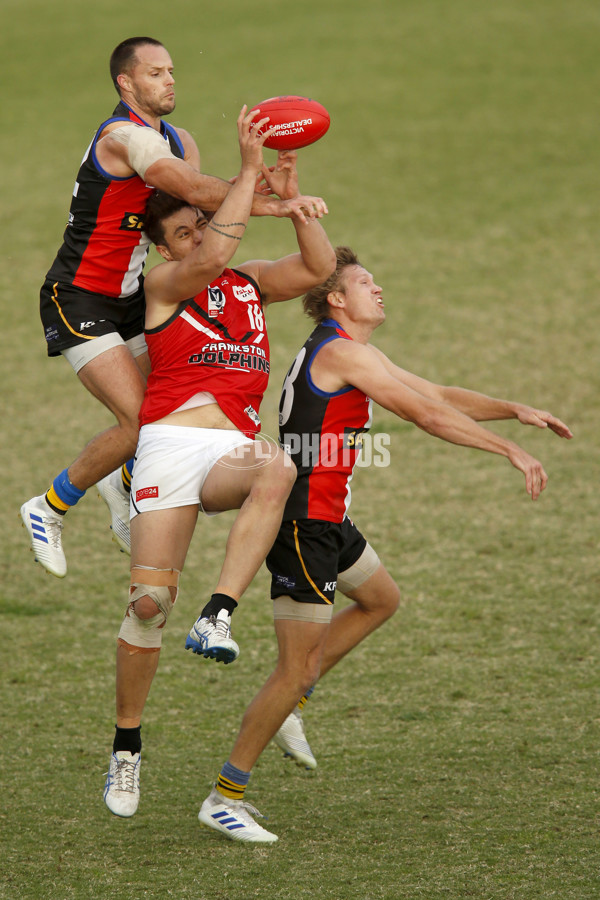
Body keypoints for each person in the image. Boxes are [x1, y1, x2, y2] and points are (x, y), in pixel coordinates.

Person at [195, 245, 573, 844]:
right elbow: (423, 415)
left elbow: (439, 393)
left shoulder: (352, 351)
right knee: (292, 667)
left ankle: (295, 703)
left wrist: (514, 411)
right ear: (336, 298)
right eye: (366, 282)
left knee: (380, 599)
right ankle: (226, 793)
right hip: (303, 528)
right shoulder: (342, 352)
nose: (379, 289)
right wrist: (508, 452)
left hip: (329, 519)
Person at [102, 108, 336, 820]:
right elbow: (208, 256)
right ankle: (126, 748)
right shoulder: (164, 288)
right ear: (162, 249)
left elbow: (320, 269)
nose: (200, 236)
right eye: (182, 231)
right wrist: (242, 168)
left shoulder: (249, 283)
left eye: (201, 225)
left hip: (228, 451)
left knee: (279, 465)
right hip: (170, 444)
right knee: (146, 607)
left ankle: (219, 614)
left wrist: (295, 207)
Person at [20, 36, 314, 578]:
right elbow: (177, 181)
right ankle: (48, 505)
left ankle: (123, 482)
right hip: (79, 297)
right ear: (126, 84)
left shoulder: (180, 138)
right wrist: (253, 188)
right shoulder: (124, 137)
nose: (170, 80)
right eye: (155, 73)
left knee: (166, 406)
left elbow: (199, 202)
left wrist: (266, 193)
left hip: (134, 297)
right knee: (139, 420)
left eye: (172, 70)